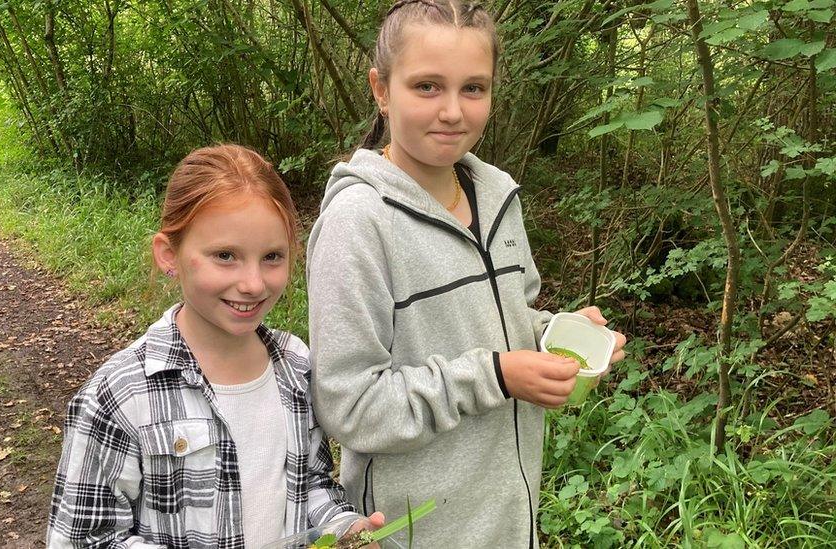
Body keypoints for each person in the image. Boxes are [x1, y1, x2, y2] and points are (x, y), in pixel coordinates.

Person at [306, 1, 628, 546]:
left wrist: (554, 332)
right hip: (413, 531)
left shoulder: (499, 194)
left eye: (473, 88)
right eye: (427, 86)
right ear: (381, 90)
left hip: (507, 518)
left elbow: (504, 317)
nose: (453, 111)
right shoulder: (357, 223)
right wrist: (497, 376)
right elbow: (351, 407)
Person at [47, 144, 383, 548]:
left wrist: (342, 529)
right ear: (169, 255)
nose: (253, 284)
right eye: (226, 256)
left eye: (272, 257)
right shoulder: (119, 395)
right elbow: (84, 539)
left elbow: (310, 482)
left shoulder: (295, 365)